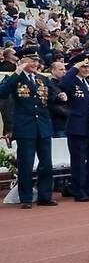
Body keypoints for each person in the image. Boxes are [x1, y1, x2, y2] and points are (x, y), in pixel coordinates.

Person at [0, 46, 60, 208]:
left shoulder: (42, 78)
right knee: (26, 164)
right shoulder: (14, 78)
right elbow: (3, 92)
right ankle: (25, 197)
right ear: (22, 61)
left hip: (43, 126)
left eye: (36, 61)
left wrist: (60, 95)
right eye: (31, 61)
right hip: (25, 128)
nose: (35, 64)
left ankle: (45, 196)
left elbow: (52, 97)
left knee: (46, 164)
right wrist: (17, 71)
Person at [59, 53, 89, 201]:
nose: (86, 68)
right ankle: (79, 190)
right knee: (78, 161)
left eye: (87, 65)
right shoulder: (72, 82)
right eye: (83, 66)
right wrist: (74, 68)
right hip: (78, 127)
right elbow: (63, 84)